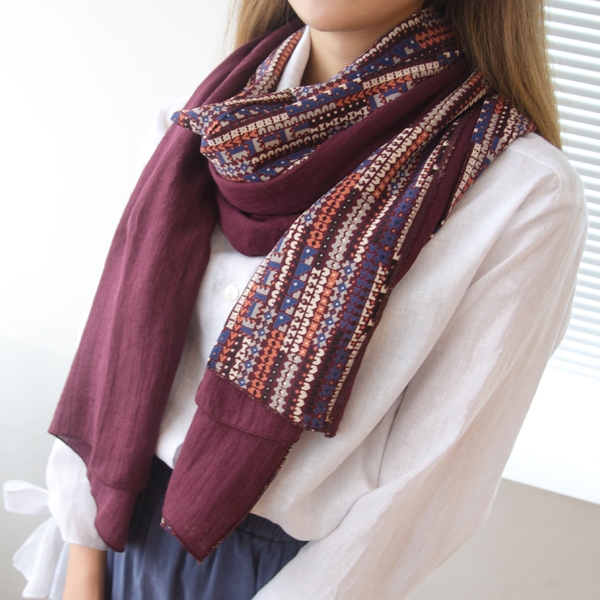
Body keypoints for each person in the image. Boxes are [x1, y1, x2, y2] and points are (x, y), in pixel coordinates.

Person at [7, 0, 587, 598]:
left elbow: (430, 488)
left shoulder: (524, 194)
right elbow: (108, 357)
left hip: (285, 578)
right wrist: (83, 562)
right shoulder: (204, 120)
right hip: (114, 531)